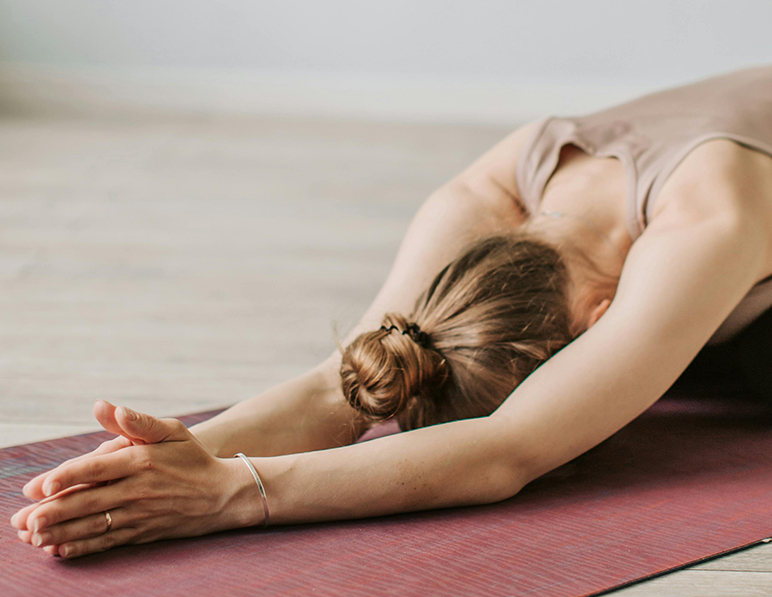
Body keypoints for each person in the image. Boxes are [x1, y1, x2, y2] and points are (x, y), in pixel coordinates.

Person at [11, 64, 772, 559]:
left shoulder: (709, 219)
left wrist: (228, 496)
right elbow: (338, 384)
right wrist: (176, 460)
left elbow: (510, 448)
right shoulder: (498, 183)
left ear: (600, 319)